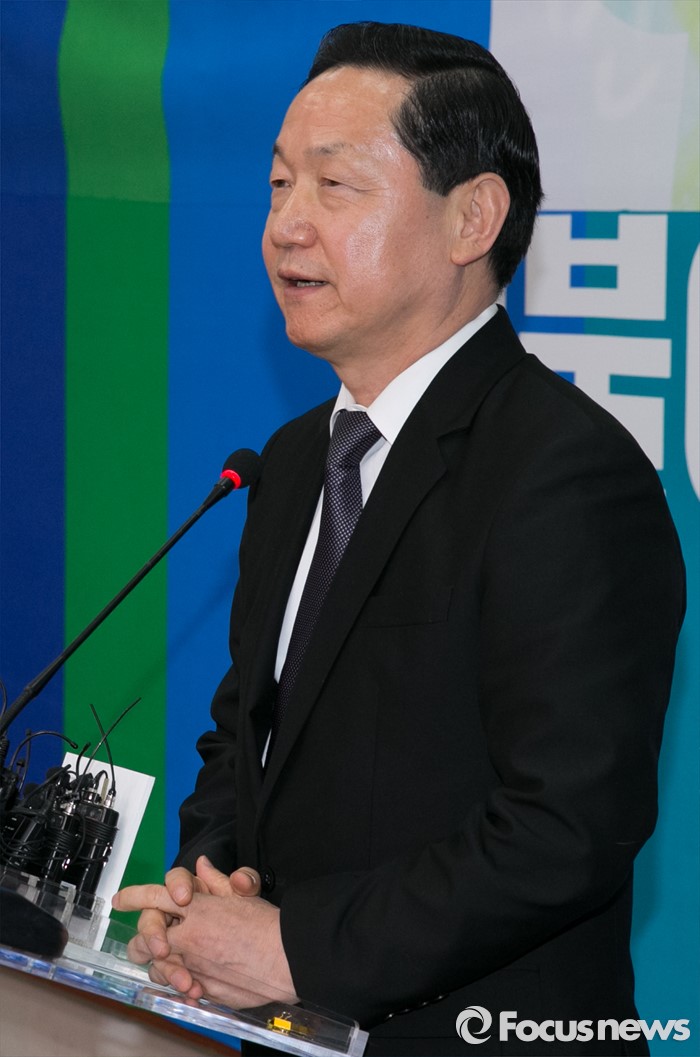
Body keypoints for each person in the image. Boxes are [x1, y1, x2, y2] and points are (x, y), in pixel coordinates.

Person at [113, 22, 686, 1056]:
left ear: (473, 217)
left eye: (334, 187)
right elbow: (248, 738)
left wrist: (296, 950)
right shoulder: (294, 460)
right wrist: (213, 893)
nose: (286, 226)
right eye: (278, 184)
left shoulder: (566, 472)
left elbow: (566, 826)